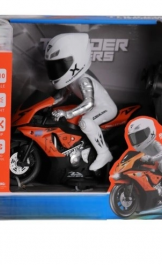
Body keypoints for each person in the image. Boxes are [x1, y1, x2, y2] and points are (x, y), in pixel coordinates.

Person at [46, 33, 117, 171]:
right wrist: (45, 105)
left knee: (86, 122)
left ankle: (104, 154)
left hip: (105, 108)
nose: (57, 70)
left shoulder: (84, 80)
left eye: (61, 65)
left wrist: (67, 114)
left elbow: (89, 103)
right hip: (93, 107)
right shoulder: (71, 80)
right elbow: (62, 96)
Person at [127, 118, 162, 198]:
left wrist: (152, 158)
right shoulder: (141, 149)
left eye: (140, 135)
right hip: (151, 164)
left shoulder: (155, 144)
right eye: (134, 137)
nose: (137, 139)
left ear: (150, 131)